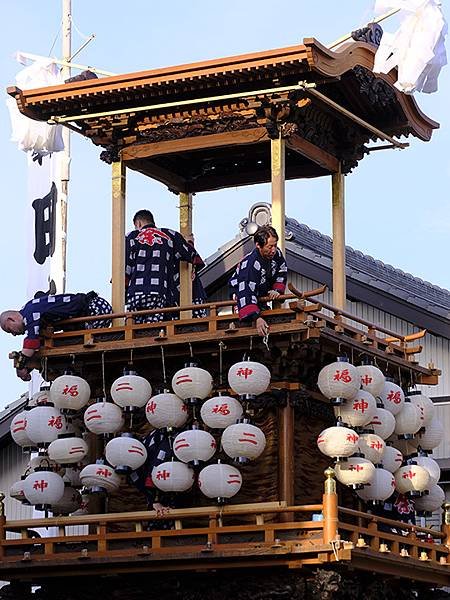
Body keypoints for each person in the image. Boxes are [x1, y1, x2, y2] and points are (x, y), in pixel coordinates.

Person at [0, 291, 112, 381]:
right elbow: (34, 344)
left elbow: (31, 343)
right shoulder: (30, 309)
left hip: (95, 310)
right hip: (89, 314)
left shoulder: (30, 313)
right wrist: (26, 366)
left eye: (10, 330)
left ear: (11, 319)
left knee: (75, 345)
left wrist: (20, 366)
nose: (14, 334)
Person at [125, 209, 205, 322]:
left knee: (134, 328)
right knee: (153, 327)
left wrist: (123, 284)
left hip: (135, 293)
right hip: (159, 292)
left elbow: (125, 265)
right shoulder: (169, 235)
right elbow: (191, 254)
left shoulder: (131, 237)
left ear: (138, 224)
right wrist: (190, 242)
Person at [229, 225, 287, 336]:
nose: (273, 250)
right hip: (241, 295)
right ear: (258, 245)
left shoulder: (277, 254)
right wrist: (256, 318)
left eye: (275, 245)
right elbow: (245, 291)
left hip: (262, 295)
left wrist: (277, 290)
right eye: (270, 247)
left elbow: (282, 270)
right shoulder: (250, 264)